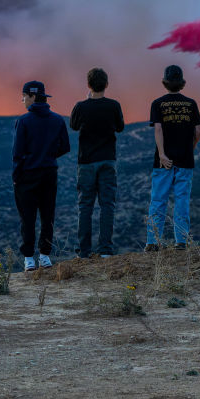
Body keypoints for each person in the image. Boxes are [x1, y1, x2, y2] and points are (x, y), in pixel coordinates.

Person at [13, 81, 70, 271]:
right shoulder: (58, 120)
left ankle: (29, 259)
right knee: (47, 216)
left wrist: (16, 177)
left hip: (27, 175)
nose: (22, 100)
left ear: (32, 96)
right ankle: (45, 256)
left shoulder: (23, 121)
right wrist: (48, 155)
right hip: (49, 174)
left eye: (24, 96)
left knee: (27, 218)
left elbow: (17, 153)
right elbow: (65, 146)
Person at [70, 67, 125, 259]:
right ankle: (105, 250)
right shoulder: (114, 105)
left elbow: (73, 125)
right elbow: (120, 127)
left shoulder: (81, 107)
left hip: (86, 162)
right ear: (107, 84)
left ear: (88, 85)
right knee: (107, 205)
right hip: (107, 159)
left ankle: (84, 251)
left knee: (85, 206)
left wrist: (86, 100)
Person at [146, 65, 200, 250]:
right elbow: (198, 131)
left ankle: (153, 242)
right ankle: (181, 241)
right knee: (182, 201)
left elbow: (158, 129)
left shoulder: (158, 103)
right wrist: (190, 148)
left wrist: (162, 154)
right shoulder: (191, 104)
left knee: (158, 200)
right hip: (185, 159)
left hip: (164, 161)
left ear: (165, 82)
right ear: (182, 83)